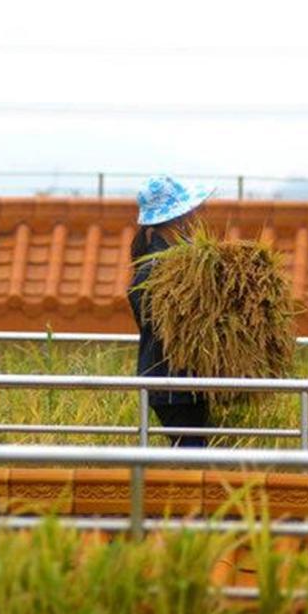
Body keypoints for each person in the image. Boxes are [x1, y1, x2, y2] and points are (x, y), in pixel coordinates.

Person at [127, 174, 214, 447]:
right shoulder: (154, 270)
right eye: (191, 212)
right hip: (171, 384)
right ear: (178, 218)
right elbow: (166, 326)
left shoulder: (180, 260)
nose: (195, 217)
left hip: (187, 381)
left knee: (196, 454)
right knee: (193, 456)